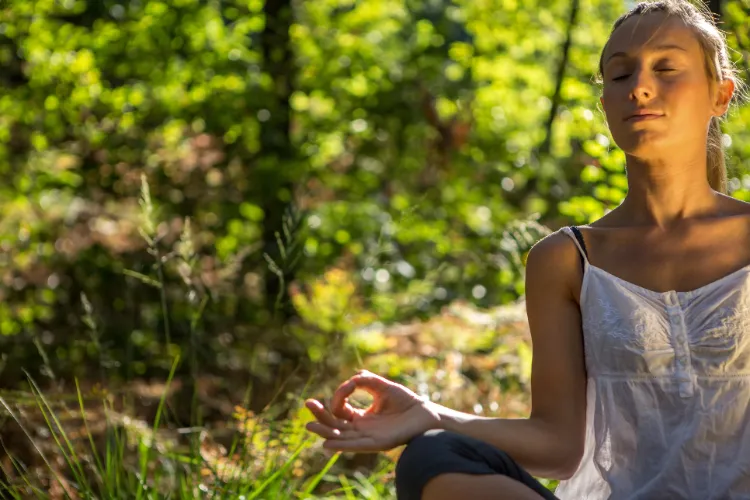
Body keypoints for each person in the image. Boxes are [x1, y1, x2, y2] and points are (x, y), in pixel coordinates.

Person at [304, 0, 750, 498]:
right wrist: (429, 415)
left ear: (720, 94)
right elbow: (558, 448)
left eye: (666, 68)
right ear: (604, 103)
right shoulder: (565, 260)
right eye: (620, 75)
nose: (640, 87)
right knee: (432, 453)